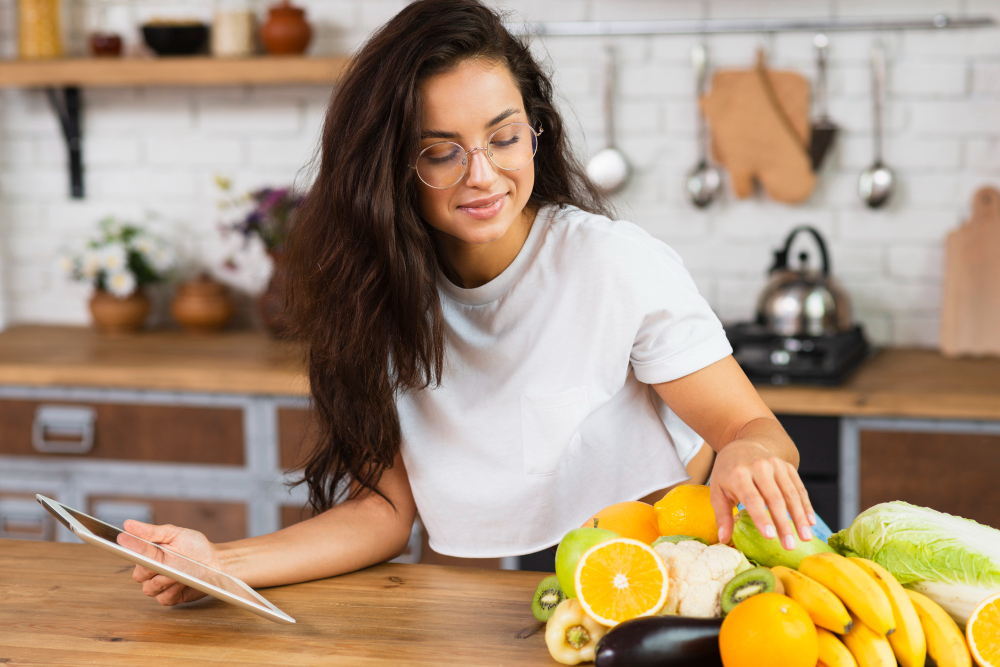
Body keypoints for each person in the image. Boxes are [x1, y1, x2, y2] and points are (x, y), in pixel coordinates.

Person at [122, 0, 816, 606]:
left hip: (649, 594)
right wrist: (220, 562)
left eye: (504, 137)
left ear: (534, 131)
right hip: (469, 609)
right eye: (440, 151)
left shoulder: (612, 262)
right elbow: (383, 513)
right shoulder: (375, 298)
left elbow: (753, 428)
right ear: (390, 166)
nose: (482, 174)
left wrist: (747, 454)